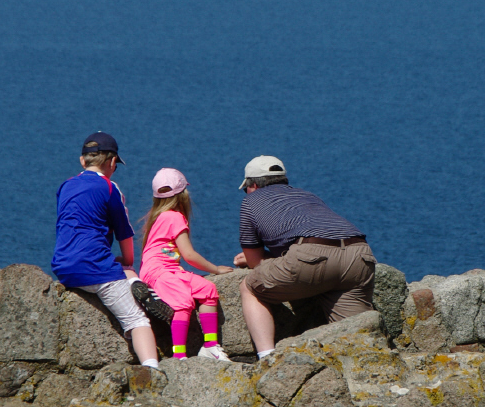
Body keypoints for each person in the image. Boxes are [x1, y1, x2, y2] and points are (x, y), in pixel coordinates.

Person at [232, 155, 374, 358]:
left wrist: (259, 257)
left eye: (246, 188)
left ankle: (267, 358)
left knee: (250, 287)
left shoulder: (250, 201)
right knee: (354, 341)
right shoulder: (308, 195)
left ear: (252, 185)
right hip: (359, 254)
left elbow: (255, 262)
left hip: (312, 255)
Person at [51, 132, 160, 368]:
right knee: (137, 319)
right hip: (95, 268)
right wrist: (129, 261)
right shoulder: (110, 188)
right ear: (112, 162)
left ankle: (131, 280)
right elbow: (124, 232)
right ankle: (152, 370)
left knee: (122, 271)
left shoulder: (65, 186)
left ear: (83, 161)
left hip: (64, 268)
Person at [139, 168, 233, 362]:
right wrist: (216, 269)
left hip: (164, 270)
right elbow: (189, 254)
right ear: (183, 194)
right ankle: (179, 355)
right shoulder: (174, 217)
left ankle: (210, 346)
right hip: (159, 271)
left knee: (207, 289)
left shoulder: (157, 216)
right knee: (183, 302)